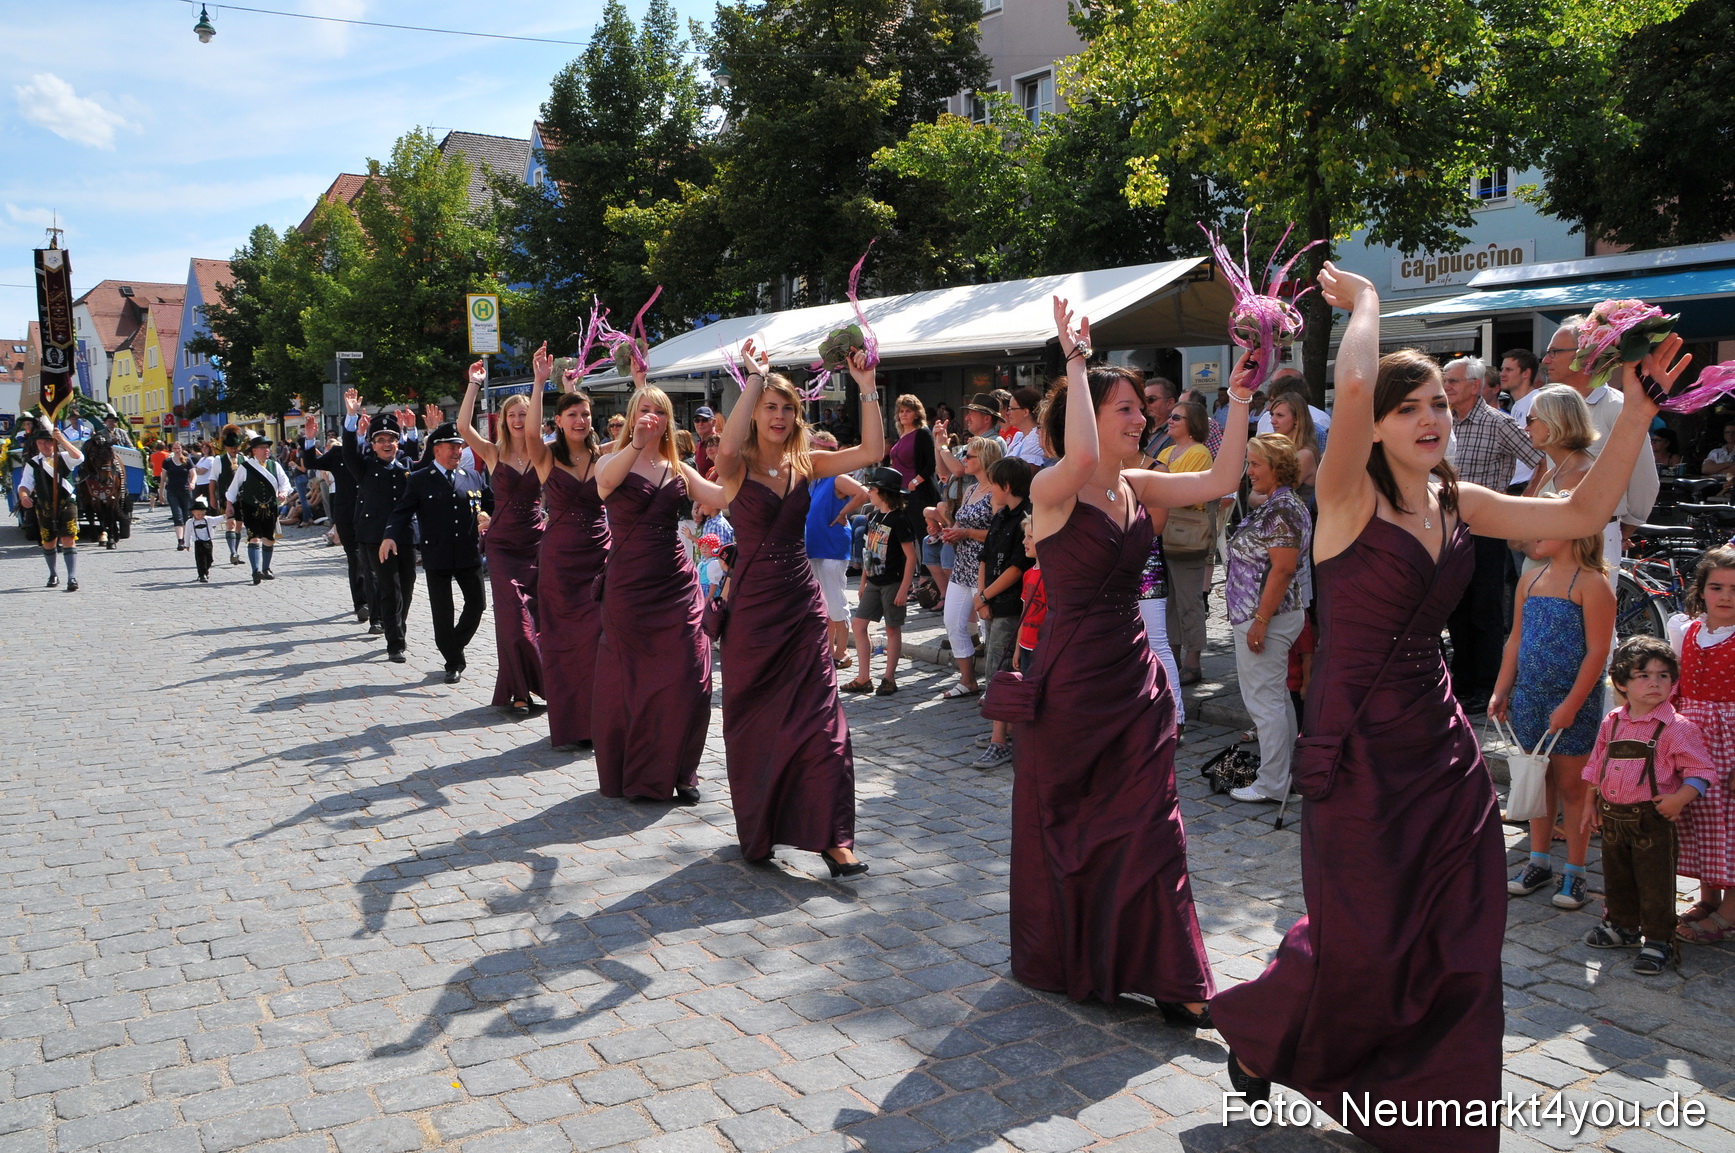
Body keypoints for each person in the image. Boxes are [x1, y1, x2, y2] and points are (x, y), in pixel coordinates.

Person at [1210, 261, 1674, 1151]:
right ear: (1374, 426)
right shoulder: (1343, 499)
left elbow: (1583, 502)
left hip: (1439, 746)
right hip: (1357, 752)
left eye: (1438, 405)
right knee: (1366, 935)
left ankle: (1431, 1111)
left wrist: (1638, 408)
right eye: (1407, 406)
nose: (1430, 419)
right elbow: (1347, 380)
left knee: (1462, 930)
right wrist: (1369, 304)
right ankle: (1271, 1033)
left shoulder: (1460, 500)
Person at [1013, 295, 1250, 1023]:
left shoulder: (1137, 485)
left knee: (1152, 823)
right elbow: (1080, 452)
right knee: (1076, 826)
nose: (1139, 418)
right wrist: (1074, 355)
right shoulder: (1052, 488)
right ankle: (1074, 948)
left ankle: (1172, 972)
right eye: (1123, 409)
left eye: (1137, 410)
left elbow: (1219, 481)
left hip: (1133, 678)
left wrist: (1240, 398)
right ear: (1085, 414)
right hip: (1072, 684)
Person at [711, 342, 883, 876]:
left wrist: (867, 386)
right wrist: (756, 380)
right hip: (754, 613)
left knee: (822, 721)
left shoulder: (809, 464)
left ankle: (834, 839)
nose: (779, 416)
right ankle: (763, 825)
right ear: (757, 410)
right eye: (770, 407)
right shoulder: (734, 466)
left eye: (787, 408)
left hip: (801, 605)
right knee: (756, 723)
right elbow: (731, 439)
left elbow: (873, 450)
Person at [593, 377, 718, 804]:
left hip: (677, 582)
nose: (652, 417)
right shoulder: (611, 458)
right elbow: (604, 485)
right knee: (637, 681)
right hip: (629, 585)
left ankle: (684, 769)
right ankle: (643, 771)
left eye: (660, 411)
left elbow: (723, 495)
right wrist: (634, 443)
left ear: (669, 421)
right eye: (644, 410)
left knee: (692, 675)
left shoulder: (681, 469)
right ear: (631, 417)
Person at [1493, 514, 1614, 911]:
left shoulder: (1593, 584)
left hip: (1570, 701)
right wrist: (1501, 688)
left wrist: (1571, 705)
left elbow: (1597, 652)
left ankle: (1576, 871)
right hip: (1530, 697)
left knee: (1573, 787)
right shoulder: (1530, 580)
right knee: (1536, 781)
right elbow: (1515, 640)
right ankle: (1539, 862)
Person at [1582, 636, 1717, 975]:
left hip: (1651, 821)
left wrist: (1679, 799)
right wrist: (1590, 804)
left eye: (1663, 675)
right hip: (1612, 817)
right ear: (1622, 683)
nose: (1654, 682)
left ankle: (1659, 940)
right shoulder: (1612, 721)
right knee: (1617, 877)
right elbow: (1596, 765)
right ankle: (1624, 927)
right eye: (1643, 675)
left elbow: (1702, 771)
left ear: (1674, 682)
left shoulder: (1677, 728)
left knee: (1654, 882)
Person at [1442, 355, 1544, 713]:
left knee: (1484, 609)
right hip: (1449, 527)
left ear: (1474, 385)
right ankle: (1463, 682)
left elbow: (1542, 458)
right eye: (1445, 380)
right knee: (1455, 607)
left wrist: (1526, 501)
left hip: (1486, 529)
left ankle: (1485, 687)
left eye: (1453, 381)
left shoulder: (1498, 423)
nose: (1447, 387)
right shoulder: (1443, 422)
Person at [525, 344, 610, 749]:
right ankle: (571, 723)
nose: (580, 419)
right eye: (572, 414)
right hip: (560, 561)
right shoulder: (546, 458)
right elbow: (528, 433)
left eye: (585, 414)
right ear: (557, 421)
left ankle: (599, 720)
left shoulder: (603, 456)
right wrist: (541, 382)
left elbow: (635, 436)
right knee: (564, 644)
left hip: (599, 555)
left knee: (598, 639)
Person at [1224, 434, 1313, 804]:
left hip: (1267, 617)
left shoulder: (1282, 510)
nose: (1249, 471)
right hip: (1264, 614)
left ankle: (1273, 782)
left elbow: (1283, 569)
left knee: (1266, 701)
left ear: (1277, 467)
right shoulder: (1279, 504)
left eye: (1255, 464)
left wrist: (1260, 619)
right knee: (1275, 698)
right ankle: (1285, 776)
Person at [458, 364, 544, 714]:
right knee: (513, 621)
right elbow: (463, 427)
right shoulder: (494, 452)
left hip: (537, 544)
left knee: (537, 619)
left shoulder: (544, 453)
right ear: (503, 420)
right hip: (503, 545)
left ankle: (533, 688)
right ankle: (519, 690)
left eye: (524, 414)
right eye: (512, 414)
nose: (519, 419)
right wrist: (473, 385)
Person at [1544, 317, 1662, 568]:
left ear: (1584, 356)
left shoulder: (1618, 407)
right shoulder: (1551, 407)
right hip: (1550, 532)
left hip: (1597, 534)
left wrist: (1623, 526)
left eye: (1554, 352)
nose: (1546, 361)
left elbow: (1645, 478)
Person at [383, 423, 487, 685]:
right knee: (443, 612)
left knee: (477, 605)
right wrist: (390, 535)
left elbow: (494, 503)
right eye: (452, 447)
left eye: (460, 446)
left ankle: (453, 645)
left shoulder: (472, 475)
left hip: (467, 551)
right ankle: (453, 662)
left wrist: (492, 518)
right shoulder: (419, 478)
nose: (458, 451)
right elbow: (402, 511)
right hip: (437, 553)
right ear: (437, 449)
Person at [1668, 549, 1735, 947]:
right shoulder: (1688, 631)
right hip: (1695, 739)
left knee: (1731, 823)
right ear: (1702, 590)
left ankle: (1731, 908)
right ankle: (1709, 896)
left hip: (1731, 744)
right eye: (1716, 587)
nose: (1726, 596)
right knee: (1702, 821)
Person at [342, 392, 416, 662]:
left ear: (398, 443)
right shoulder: (364, 467)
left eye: (391, 439)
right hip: (374, 536)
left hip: (405, 536)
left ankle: (399, 626)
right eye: (381, 440)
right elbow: (349, 451)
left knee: (407, 586)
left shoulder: (407, 466)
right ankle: (394, 642)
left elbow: (424, 458)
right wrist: (351, 418)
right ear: (372, 445)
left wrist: (416, 429)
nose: (387, 444)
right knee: (389, 587)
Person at [971, 456, 1034, 768]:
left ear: (1006, 486)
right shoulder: (1000, 515)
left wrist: (986, 595)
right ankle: (1003, 731)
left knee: (1001, 668)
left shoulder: (1027, 517)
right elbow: (986, 557)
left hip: (1010, 605)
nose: (989, 489)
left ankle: (1001, 741)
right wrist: (982, 597)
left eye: (993, 484)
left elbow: (1018, 566)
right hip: (992, 603)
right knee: (993, 664)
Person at [935, 435, 1005, 698]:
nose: (964, 459)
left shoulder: (996, 490)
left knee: (989, 628)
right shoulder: (972, 489)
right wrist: (948, 532)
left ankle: (993, 685)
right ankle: (968, 680)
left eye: (969, 455)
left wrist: (965, 532)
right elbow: (960, 524)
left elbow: (1001, 533)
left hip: (984, 567)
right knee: (952, 621)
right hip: (963, 565)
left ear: (984, 459)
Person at [844, 468, 917, 696]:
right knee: (859, 625)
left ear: (884, 493)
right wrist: (864, 581)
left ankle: (889, 678)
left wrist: (905, 587)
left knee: (892, 628)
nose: (869, 492)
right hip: (874, 581)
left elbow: (911, 556)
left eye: (872, 489)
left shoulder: (899, 519)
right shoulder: (873, 517)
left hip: (893, 582)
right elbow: (868, 551)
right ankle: (864, 677)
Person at [1155, 401, 1213, 686]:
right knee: (1169, 601)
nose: (1170, 420)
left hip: (1186, 534)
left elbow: (1186, 492)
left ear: (1193, 423)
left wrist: (1162, 489)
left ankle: (1193, 660)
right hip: (1165, 533)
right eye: (1171, 416)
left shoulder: (1199, 453)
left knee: (1189, 600)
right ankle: (1172, 655)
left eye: (1177, 417)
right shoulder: (1166, 451)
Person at [803, 430, 869, 669]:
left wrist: (843, 513)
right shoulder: (815, 480)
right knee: (823, 600)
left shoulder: (836, 477)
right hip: (816, 546)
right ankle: (830, 649)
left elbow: (862, 493)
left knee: (835, 599)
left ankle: (842, 651)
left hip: (831, 546)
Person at [301, 416, 370, 624]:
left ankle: (377, 601)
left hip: (372, 514)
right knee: (355, 558)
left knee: (374, 562)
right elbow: (312, 463)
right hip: (347, 514)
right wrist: (310, 440)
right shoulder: (338, 453)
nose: (361, 427)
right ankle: (362, 604)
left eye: (363, 424)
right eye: (355, 424)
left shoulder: (373, 449)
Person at [16, 423, 84, 591]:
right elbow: (25, 484)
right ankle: (53, 574)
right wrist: (24, 496)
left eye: (47, 442)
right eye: (40, 443)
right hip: (44, 505)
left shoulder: (63, 457)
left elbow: (79, 457)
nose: (44, 446)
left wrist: (61, 439)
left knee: (68, 538)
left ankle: (71, 577)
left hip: (66, 503)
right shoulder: (33, 463)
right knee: (48, 541)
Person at [887, 395, 940, 593]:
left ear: (917, 413)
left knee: (923, 535)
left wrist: (915, 482)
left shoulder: (923, 433)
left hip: (918, 493)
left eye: (908, 410)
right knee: (904, 536)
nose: (903, 414)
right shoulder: (902, 434)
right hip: (900, 494)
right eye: (901, 411)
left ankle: (925, 581)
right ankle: (907, 580)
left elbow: (930, 464)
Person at [225, 435, 292, 585]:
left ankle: (266, 568)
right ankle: (256, 571)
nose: (266, 450)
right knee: (254, 537)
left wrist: (283, 492)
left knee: (269, 539)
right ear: (254, 451)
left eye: (267, 447)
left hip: (270, 507)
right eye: (263, 447)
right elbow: (233, 488)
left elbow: (285, 483)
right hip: (251, 507)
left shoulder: (275, 465)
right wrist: (229, 505)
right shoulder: (245, 467)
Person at [1264, 392, 1319, 505]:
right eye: (1272, 415)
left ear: (1297, 419)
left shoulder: (1305, 454)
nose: (1273, 420)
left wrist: (1258, 496)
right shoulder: (1278, 450)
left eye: (1280, 415)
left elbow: (1275, 496)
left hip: (1290, 520)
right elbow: (1254, 496)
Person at [1501, 348, 1543, 491]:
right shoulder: (1517, 405)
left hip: (1526, 484)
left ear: (1526, 373)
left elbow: (1543, 449)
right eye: (1502, 369)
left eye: (1508, 370)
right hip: (1514, 483)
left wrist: (1533, 488)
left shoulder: (1537, 400)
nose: (1502, 374)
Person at [210, 424, 247, 566]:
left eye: (236, 447)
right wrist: (212, 497)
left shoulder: (244, 459)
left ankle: (236, 552)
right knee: (230, 523)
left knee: (239, 525)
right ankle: (232, 552)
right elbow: (213, 480)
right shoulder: (219, 460)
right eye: (231, 447)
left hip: (242, 496)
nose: (234, 449)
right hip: (226, 496)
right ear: (226, 447)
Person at [161, 441, 196, 551]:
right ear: (172, 449)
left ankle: (186, 539)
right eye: (175, 448)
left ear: (182, 449)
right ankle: (180, 541)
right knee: (177, 515)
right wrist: (161, 492)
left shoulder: (187, 461)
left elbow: (193, 474)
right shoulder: (167, 462)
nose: (177, 450)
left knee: (186, 516)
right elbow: (163, 478)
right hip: (172, 491)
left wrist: (192, 483)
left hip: (185, 491)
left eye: (178, 448)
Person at [1003, 386, 1046, 466]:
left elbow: (1026, 475)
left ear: (1025, 412)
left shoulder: (1035, 438)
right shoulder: (1019, 436)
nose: (1008, 413)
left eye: (1012, 409)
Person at [1141, 376, 1178, 459]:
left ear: (1170, 403)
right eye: (1143, 401)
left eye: (1150, 400)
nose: (1145, 405)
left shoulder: (1178, 432)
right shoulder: (1138, 429)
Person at [187, 496, 216, 582]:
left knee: (209, 559)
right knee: (200, 559)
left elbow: (217, 519)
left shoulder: (208, 520)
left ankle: (205, 571)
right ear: (193, 513)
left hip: (208, 541)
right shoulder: (190, 522)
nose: (200, 516)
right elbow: (187, 533)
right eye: (198, 514)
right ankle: (202, 575)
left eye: (202, 514)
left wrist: (226, 516)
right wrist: (187, 544)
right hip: (198, 542)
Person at [692, 405, 718, 477]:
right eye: (697, 420)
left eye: (704, 420)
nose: (700, 423)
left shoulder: (718, 443)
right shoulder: (698, 444)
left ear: (714, 422)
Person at [149, 442, 168, 507]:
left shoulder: (152, 455)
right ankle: (164, 501)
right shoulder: (167, 455)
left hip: (155, 473)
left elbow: (151, 464)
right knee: (166, 488)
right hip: (165, 474)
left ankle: (152, 505)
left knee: (154, 490)